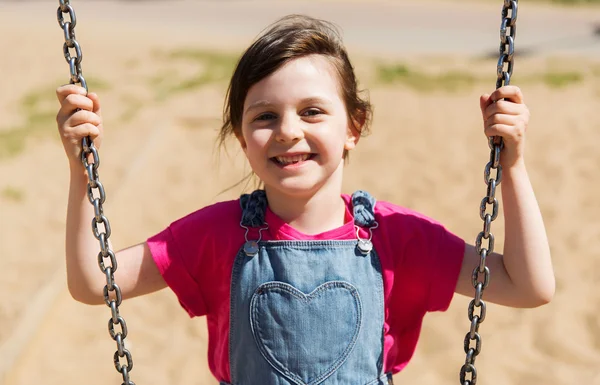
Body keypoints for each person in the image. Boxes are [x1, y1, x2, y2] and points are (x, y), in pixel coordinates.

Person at [55, 14, 554, 385]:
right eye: (264, 116)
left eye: (312, 111)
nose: (287, 131)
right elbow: (95, 283)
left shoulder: (398, 238)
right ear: (241, 135)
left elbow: (527, 285)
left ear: (353, 127)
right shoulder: (216, 235)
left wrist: (511, 165)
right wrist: (81, 170)